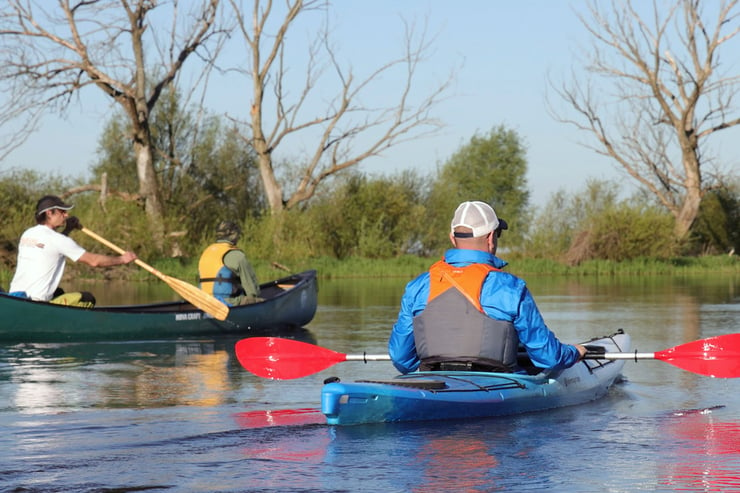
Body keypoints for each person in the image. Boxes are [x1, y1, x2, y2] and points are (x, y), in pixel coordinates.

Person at [388, 200, 587, 374]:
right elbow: (548, 357)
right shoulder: (511, 287)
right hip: (496, 382)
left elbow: (401, 360)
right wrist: (574, 353)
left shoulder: (417, 287)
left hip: (434, 379)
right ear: (491, 237)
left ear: (452, 238)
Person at [9, 195, 138, 307]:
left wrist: (68, 229)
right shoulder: (59, 240)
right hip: (37, 303)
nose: (66, 215)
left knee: (58, 292)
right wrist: (122, 259)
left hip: (15, 297)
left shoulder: (28, 234)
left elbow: (52, 246)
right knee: (87, 298)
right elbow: (93, 261)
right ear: (49, 213)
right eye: (62, 212)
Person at [198, 220, 261, 306]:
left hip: (204, 302)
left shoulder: (206, 252)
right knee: (258, 300)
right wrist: (255, 298)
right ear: (233, 234)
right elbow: (252, 290)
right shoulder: (237, 255)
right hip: (227, 303)